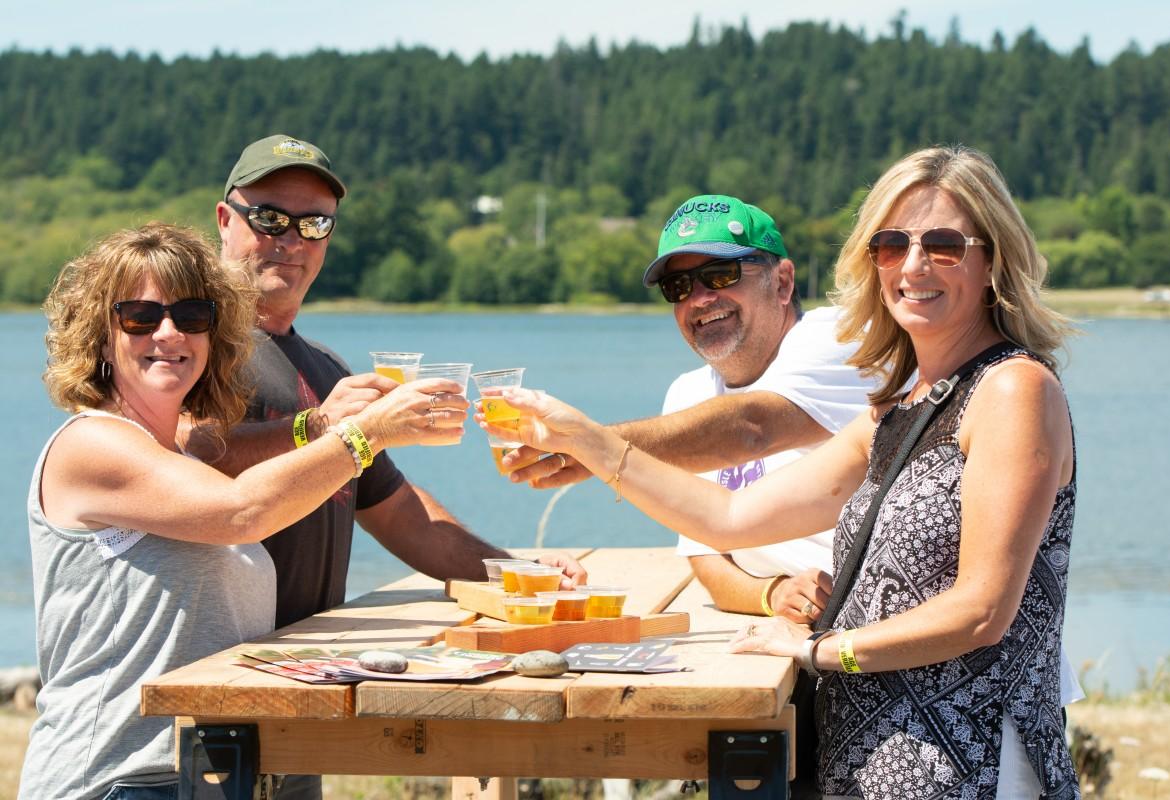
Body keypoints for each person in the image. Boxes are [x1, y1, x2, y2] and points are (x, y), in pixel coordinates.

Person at [483, 145, 1080, 798]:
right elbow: (729, 519)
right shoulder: (901, 408)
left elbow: (981, 612)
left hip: (979, 760)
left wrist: (820, 651)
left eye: (942, 244)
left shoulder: (1013, 391)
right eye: (890, 245)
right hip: (880, 761)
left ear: (992, 260)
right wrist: (588, 444)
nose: (912, 265)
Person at [23, 223, 460, 800]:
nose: (170, 332)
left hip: (228, 772)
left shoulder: (182, 452)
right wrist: (367, 434)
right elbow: (243, 511)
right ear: (100, 336)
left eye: (193, 315)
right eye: (140, 317)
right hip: (122, 777)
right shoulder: (91, 445)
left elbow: (237, 455)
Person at [191, 134, 584, 637]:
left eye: (314, 223)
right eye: (269, 219)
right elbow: (189, 456)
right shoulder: (188, 344)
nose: (290, 241)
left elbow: (403, 515)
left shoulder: (328, 367)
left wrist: (515, 573)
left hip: (302, 663)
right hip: (216, 667)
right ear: (226, 221)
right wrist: (318, 428)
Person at [508, 194, 876, 623]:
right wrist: (771, 594)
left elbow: (752, 427)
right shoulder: (686, 397)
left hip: (877, 624)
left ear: (782, 283)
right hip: (793, 632)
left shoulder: (841, 338)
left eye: (720, 275)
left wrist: (591, 445)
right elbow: (704, 554)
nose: (699, 299)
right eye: (678, 287)